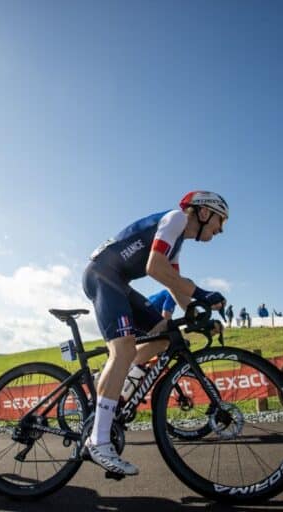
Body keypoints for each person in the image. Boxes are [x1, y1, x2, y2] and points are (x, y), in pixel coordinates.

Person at [82, 190, 228, 475]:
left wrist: (198, 315)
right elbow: (154, 268)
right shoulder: (175, 219)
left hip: (118, 281)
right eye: (220, 221)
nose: (220, 230)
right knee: (123, 349)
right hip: (102, 275)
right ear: (204, 212)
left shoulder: (177, 242)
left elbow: (173, 283)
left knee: (163, 338)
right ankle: (98, 442)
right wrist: (203, 293)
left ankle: (110, 381)